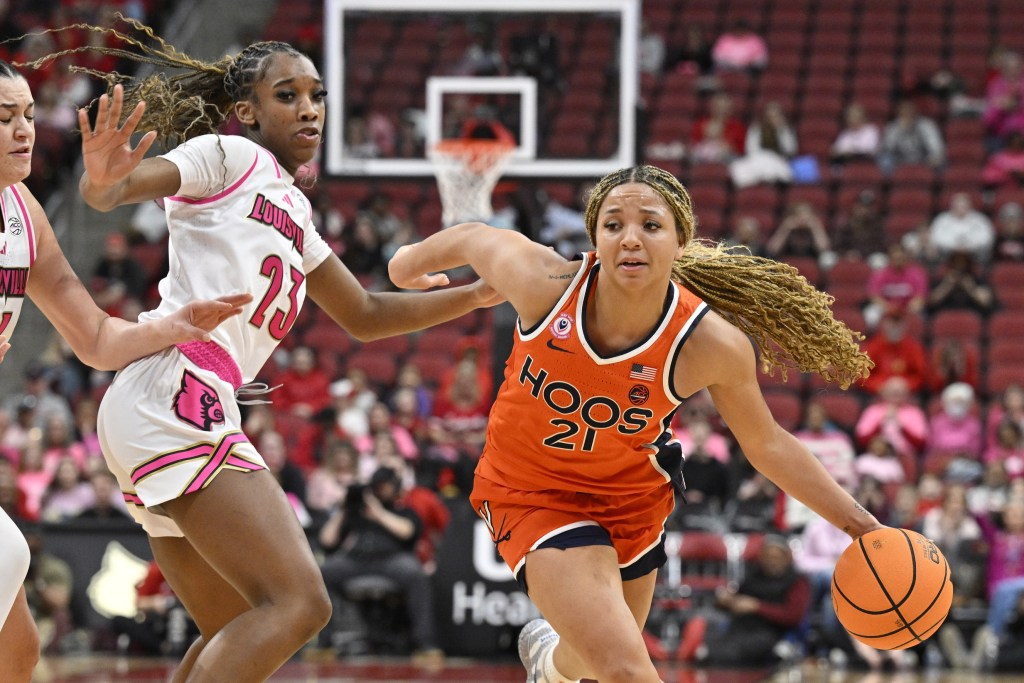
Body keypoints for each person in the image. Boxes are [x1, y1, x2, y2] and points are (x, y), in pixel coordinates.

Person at [29, 21, 499, 682]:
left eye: (317, 94)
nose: (308, 107)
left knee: (236, 627)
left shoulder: (295, 210)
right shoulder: (224, 155)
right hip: (176, 387)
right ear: (247, 110)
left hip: (171, 401)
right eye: (288, 95)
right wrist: (104, 184)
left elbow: (363, 313)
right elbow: (122, 187)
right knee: (301, 603)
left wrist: (475, 296)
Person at [388, 164, 882, 683]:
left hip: (633, 503)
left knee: (593, 661)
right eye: (613, 225)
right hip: (531, 491)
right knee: (628, 670)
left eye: (650, 225)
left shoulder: (710, 345)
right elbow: (471, 236)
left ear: (679, 241)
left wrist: (861, 526)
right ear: (595, 239)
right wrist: (405, 265)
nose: (630, 239)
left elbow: (768, 444)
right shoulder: (542, 281)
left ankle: (547, 664)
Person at [0, 57, 251, 682]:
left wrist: (174, 327)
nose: (23, 130)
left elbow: (95, 338)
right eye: (4, 118)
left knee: (19, 645)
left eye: (29, 114)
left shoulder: (23, 214)